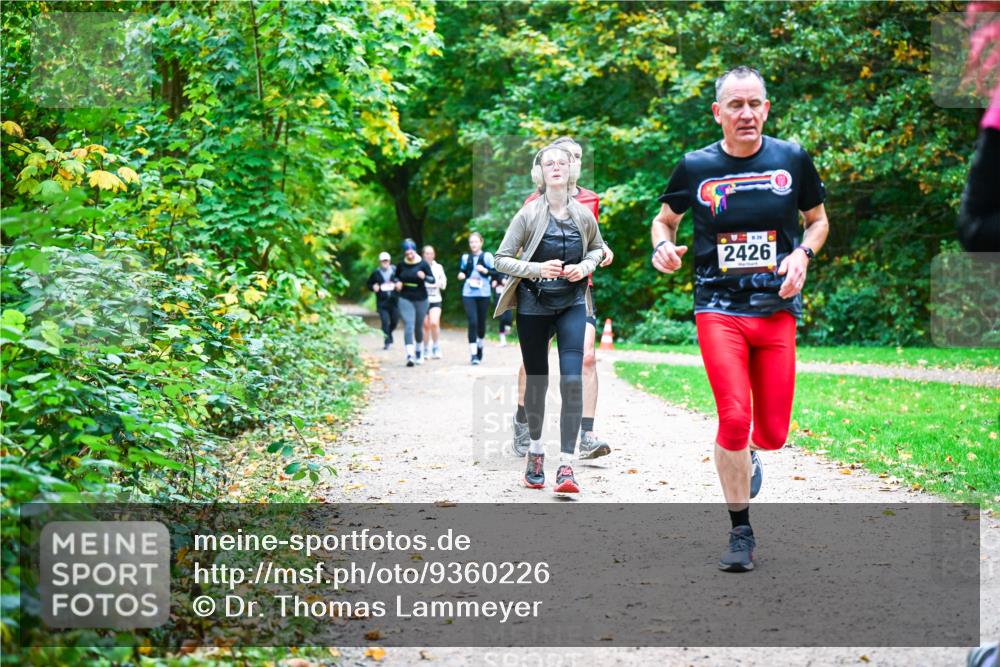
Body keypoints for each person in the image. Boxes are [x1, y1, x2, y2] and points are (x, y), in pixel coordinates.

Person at [651, 66, 829, 572]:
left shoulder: (791, 159)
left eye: (754, 104)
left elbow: (817, 222)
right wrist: (663, 246)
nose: (746, 113)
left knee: (771, 433)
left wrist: (803, 257)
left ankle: (749, 454)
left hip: (775, 311)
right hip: (718, 307)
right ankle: (740, 531)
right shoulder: (695, 166)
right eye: (735, 105)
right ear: (718, 112)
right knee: (734, 417)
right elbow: (664, 219)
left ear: (766, 109)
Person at [494, 144, 606, 494]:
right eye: (549, 163)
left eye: (562, 162)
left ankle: (568, 466)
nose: (556, 167)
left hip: (572, 303)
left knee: (571, 381)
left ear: (571, 169)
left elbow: (598, 250)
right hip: (533, 306)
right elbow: (500, 258)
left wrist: (584, 267)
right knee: (538, 383)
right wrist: (536, 269)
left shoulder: (583, 214)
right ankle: (537, 453)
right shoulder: (527, 214)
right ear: (539, 172)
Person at [394, 239, 436, 367]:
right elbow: (395, 276)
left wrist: (424, 277)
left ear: (415, 251)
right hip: (405, 298)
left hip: (421, 298)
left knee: (418, 327)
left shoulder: (423, 264)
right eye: (407, 253)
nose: (410, 255)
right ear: (404, 253)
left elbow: (432, 279)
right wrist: (397, 282)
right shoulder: (401, 265)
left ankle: (419, 350)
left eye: (411, 252)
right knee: (409, 325)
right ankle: (410, 355)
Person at [457, 232, 495, 365]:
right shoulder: (465, 257)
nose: (473, 244)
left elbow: (497, 273)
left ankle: (480, 344)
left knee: (481, 324)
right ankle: (473, 354)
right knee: (472, 322)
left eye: (476, 241)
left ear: (481, 242)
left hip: (483, 293)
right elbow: (462, 271)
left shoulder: (487, 256)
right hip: (468, 293)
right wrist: (461, 275)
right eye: (471, 242)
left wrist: (485, 271)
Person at [366, 251, 399, 350]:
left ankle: (388, 333)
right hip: (382, 302)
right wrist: (373, 287)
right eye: (383, 261)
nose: (385, 263)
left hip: (394, 301)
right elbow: (369, 284)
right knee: (385, 321)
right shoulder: (376, 273)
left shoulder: (395, 270)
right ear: (380, 262)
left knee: (395, 321)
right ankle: (387, 342)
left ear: (389, 261)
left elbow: (401, 280)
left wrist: (399, 284)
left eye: (386, 261)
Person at [422, 244, 448, 359]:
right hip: (422, 300)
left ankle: (436, 346)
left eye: (431, 253)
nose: (429, 255)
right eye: (427, 253)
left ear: (434, 255)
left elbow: (444, 282)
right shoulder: (420, 267)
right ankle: (426, 348)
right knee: (425, 325)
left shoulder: (438, 267)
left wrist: (439, 284)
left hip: (435, 299)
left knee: (434, 323)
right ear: (423, 255)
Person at [491, 271, 513, 346]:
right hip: (499, 297)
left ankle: (508, 328)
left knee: (509, 317)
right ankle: (502, 340)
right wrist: (494, 282)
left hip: (508, 297)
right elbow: (492, 283)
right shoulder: (496, 272)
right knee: (502, 318)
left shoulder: (510, 273)